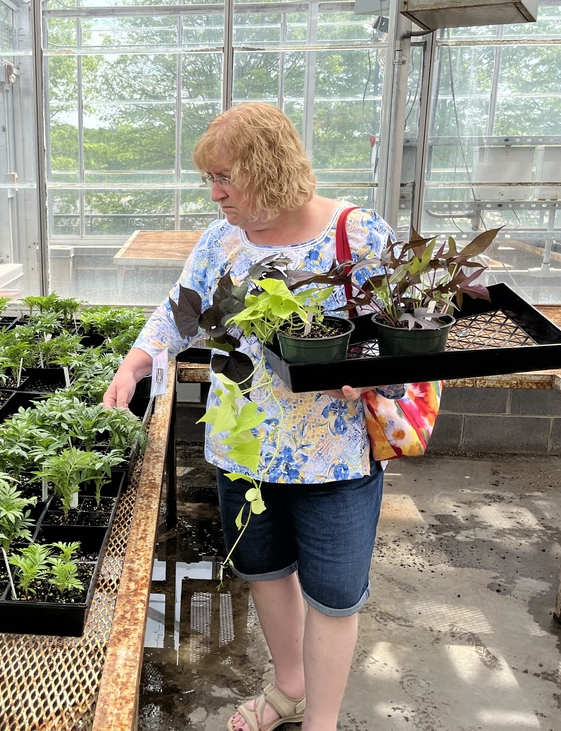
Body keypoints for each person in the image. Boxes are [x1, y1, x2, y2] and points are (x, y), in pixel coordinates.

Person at [102, 102, 400, 731]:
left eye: (224, 178)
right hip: (243, 454)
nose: (215, 194)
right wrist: (133, 364)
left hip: (333, 457)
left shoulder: (357, 233)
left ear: (268, 171)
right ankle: (287, 690)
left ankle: (321, 722)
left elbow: (402, 331)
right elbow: (181, 314)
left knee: (335, 596)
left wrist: (368, 367)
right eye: (208, 179)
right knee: (264, 570)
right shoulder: (222, 242)